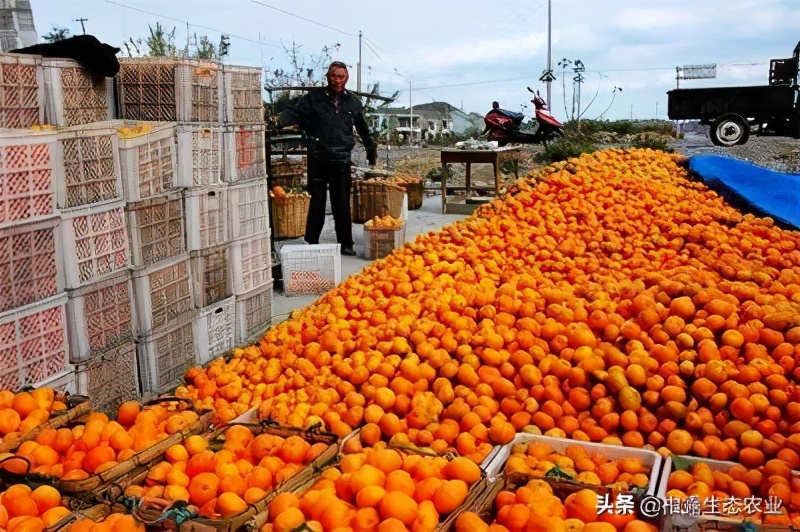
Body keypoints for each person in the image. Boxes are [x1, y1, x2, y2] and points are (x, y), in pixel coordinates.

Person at [280, 61, 377, 256]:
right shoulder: (313, 99)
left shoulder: (352, 102)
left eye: (341, 76)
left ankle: (346, 244)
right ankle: (312, 240)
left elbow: (363, 128)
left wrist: (370, 148)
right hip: (317, 156)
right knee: (317, 200)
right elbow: (297, 114)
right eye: (334, 76)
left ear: (346, 78)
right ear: (328, 77)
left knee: (341, 202)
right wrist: (284, 118)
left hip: (341, 159)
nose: (337, 80)